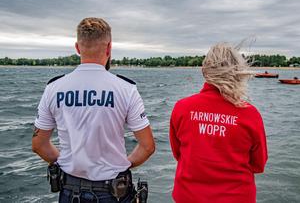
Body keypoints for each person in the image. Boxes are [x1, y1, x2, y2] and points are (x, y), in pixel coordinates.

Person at [32, 17, 155, 203]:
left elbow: (39, 144)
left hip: (69, 190)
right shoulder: (126, 89)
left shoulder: (54, 88)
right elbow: (147, 146)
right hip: (113, 191)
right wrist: (121, 164)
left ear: (77, 47)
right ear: (109, 48)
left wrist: (66, 161)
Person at [169, 43, 268, 203]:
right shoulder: (250, 114)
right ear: (238, 72)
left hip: (188, 196)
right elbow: (258, 164)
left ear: (204, 71)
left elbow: (178, 154)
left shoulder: (182, 108)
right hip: (236, 197)